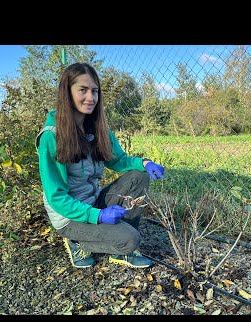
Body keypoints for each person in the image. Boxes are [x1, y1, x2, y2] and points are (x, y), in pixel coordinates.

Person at [36, 62, 165, 269]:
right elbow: (57, 197)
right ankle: (77, 242)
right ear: (67, 93)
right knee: (130, 239)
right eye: (83, 90)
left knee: (139, 175)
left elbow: (118, 160)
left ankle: (123, 250)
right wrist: (98, 215)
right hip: (69, 215)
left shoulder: (96, 126)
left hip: (93, 200)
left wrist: (145, 163)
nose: (91, 98)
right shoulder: (52, 137)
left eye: (94, 91)